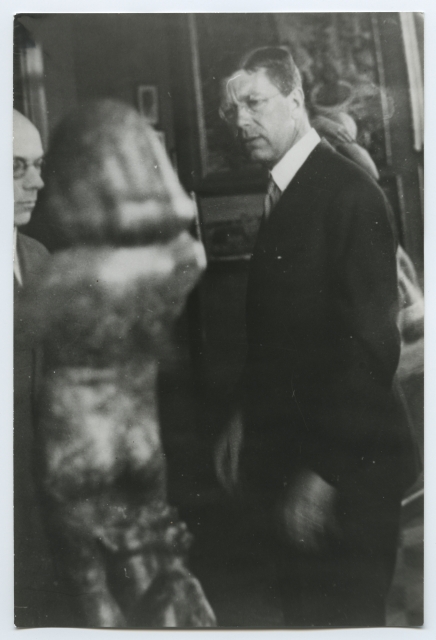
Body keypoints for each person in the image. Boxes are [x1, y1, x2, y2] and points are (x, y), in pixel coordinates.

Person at [216, 46, 419, 626]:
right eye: (232, 111)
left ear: (295, 99)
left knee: (345, 621)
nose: (242, 121)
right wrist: (243, 413)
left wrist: (325, 475)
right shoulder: (283, 189)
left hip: (350, 469)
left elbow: (370, 348)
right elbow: (280, 332)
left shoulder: (350, 192)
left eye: (255, 102)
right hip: (295, 455)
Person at [13, 110, 77, 627]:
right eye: (17, 167)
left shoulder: (37, 257)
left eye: (38, 165)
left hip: (44, 519)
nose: (36, 182)